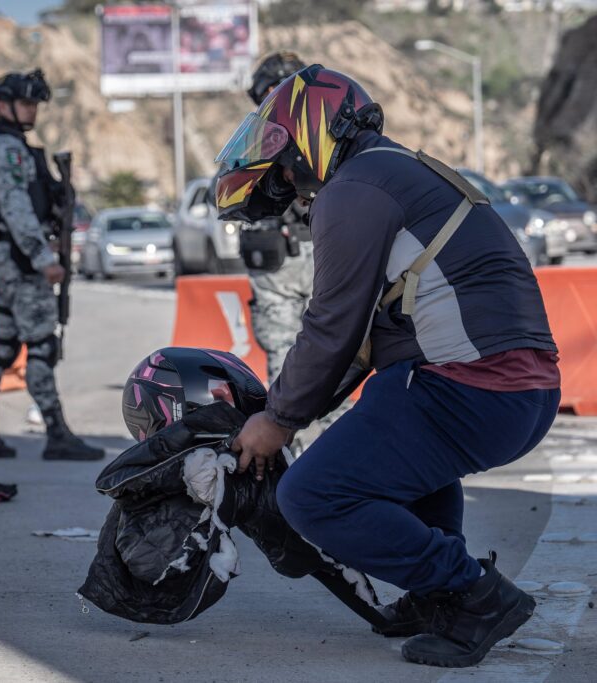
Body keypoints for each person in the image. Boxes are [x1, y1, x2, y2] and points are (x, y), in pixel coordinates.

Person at [214, 65, 560, 668]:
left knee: (313, 495)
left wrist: (278, 420)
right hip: (517, 392)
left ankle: (473, 593)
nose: (293, 188)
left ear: (313, 131)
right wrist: (281, 408)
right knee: (390, 415)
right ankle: (438, 598)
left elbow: (332, 326)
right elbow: (367, 344)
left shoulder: (354, 189)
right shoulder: (397, 170)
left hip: (475, 388)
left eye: (285, 159)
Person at [0, 69, 104, 462]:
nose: (33, 111)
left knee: (1, 346)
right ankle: (57, 433)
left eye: (34, 103)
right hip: (22, 261)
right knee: (42, 346)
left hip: (11, 258)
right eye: (26, 103)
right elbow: (16, 208)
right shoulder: (8, 150)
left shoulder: (9, 146)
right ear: (3, 106)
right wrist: (44, 259)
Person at [241, 51, 343, 448]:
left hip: (308, 257)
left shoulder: (272, 135)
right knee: (300, 360)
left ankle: (320, 452)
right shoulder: (315, 131)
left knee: (323, 359)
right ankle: (296, 450)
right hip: (289, 262)